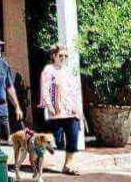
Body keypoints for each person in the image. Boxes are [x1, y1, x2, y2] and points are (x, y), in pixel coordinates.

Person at [39, 44, 85, 174]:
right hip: (57, 112)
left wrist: (78, 109)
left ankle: (68, 165)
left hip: (71, 111)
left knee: (73, 137)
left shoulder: (68, 71)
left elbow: (75, 91)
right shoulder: (48, 71)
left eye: (65, 55)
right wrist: (49, 106)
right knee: (58, 141)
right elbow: (45, 90)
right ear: (53, 56)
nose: (63, 58)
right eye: (60, 55)